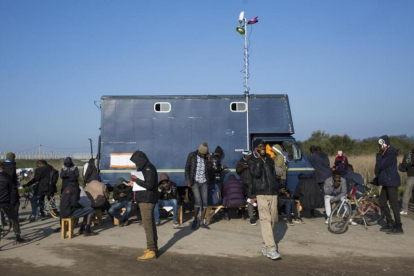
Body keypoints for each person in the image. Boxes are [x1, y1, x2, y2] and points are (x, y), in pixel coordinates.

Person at [248, 139, 281, 260]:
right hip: (261, 193)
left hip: (272, 192)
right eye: (259, 146)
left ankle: (265, 245)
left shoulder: (270, 159)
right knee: (265, 219)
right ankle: (272, 249)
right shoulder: (251, 160)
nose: (262, 148)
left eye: (263, 146)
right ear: (255, 148)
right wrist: (258, 160)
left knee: (272, 220)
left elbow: (274, 175)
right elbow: (256, 174)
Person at [129, 150, 159, 261]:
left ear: (140, 159)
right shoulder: (146, 167)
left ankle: (151, 249)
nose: (136, 164)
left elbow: (149, 185)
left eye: (136, 162)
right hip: (145, 199)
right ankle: (153, 248)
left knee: (148, 225)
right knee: (150, 224)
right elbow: (146, 183)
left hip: (147, 200)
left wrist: (136, 181)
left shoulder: (148, 168)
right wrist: (134, 183)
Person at [374, 135, 403, 234]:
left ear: (384, 145)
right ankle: (390, 223)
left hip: (391, 181)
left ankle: (398, 226)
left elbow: (380, 165)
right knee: (382, 201)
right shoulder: (385, 154)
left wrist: (378, 156)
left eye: (379, 145)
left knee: (393, 203)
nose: (379, 148)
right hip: (387, 181)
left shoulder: (389, 154)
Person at [185, 142, 213, 230]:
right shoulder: (192, 155)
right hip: (195, 182)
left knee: (205, 203)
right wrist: (188, 180)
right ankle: (195, 220)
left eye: (204, 154)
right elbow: (187, 168)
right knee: (198, 202)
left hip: (204, 182)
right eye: (201, 154)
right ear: (199, 151)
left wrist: (209, 161)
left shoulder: (206, 157)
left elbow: (209, 170)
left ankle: (202, 222)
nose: (202, 155)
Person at [0, 162, 29, 244]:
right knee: (14, 219)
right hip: (5, 202)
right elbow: (10, 189)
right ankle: (18, 237)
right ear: (2, 167)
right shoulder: (7, 176)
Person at [236, 150, 256, 225]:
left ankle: (252, 216)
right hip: (243, 182)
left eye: (249, 156)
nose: (248, 157)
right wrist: (243, 167)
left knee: (251, 199)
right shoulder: (240, 162)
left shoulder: (252, 161)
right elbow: (237, 171)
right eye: (246, 156)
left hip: (251, 183)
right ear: (244, 155)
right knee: (243, 198)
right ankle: (243, 214)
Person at [3, 152, 20, 221]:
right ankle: (14, 220)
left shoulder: (3, 165)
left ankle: (2, 220)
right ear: (13, 158)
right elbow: (10, 177)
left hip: (3, 187)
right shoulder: (12, 165)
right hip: (12, 187)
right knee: (15, 203)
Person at [399, 147, 414, 216]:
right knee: (406, 193)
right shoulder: (408, 155)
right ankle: (404, 209)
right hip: (411, 176)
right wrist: (411, 162)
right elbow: (404, 165)